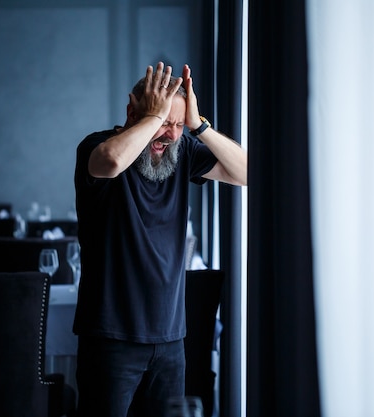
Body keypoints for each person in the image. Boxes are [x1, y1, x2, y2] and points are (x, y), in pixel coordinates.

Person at [73, 61, 247, 417]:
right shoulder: (98, 146)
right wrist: (153, 117)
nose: (169, 134)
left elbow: (246, 173)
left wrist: (198, 127)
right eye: (162, 122)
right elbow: (109, 162)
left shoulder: (180, 153)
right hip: (111, 339)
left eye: (176, 125)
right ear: (131, 111)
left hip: (170, 339)